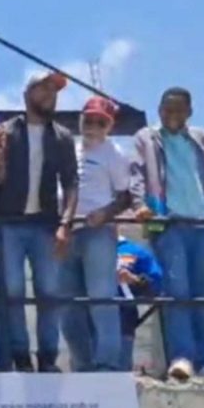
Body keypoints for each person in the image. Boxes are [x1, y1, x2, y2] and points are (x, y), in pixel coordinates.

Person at [130, 87, 204, 380]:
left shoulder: (203, 139)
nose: (172, 115)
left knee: (201, 295)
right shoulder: (146, 138)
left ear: (189, 112)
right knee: (177, 293)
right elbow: (135, 173)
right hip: (168, 224)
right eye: (167, 109)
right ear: (159, 110)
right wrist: (140, 205)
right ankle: (182, 357)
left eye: (178, 110)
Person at [0, 70, 79, 373]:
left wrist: (65, 223)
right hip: (9, 223)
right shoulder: (6, 131)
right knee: (12, 292)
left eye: (54, 91)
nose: (50, 95)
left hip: (46, 224)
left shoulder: (63, 137)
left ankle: (49, 357)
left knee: (49, 292)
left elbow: (70, 184)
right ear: (27, 94)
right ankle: (20, 356)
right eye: (44, 89)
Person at [59, 96, 132, 372]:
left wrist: (105, 214)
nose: (92, 126)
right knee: (67, 304)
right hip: (66, 230)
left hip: (97, 231)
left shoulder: (114, 154)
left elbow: (126, 196)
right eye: (88, 120)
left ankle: (107, 362)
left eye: (100, 122)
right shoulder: (68, 148)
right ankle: (82, 363)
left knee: (101, 297)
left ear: (109, 126)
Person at [116, 233, 163, 372]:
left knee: (121, 370)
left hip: (123, 321)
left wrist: (135, 280)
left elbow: (157, 285)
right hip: (89, 323)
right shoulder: (78, 247)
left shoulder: (134, 251)